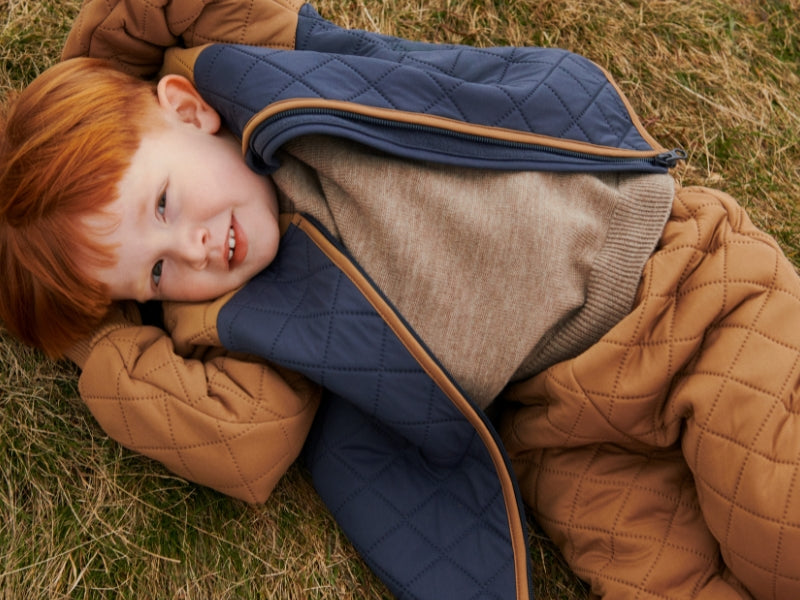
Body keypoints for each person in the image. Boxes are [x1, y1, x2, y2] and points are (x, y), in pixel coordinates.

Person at [2, 1, 799, 598]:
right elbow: (240, 444)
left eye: (165, 205)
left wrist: (94, 72)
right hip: (567, 435)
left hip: (686, 292)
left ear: (185, 109)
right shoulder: (236, 321)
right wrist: (90, 328)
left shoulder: (258, 66)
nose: (193, 251)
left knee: (781, 527)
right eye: (154, 274)